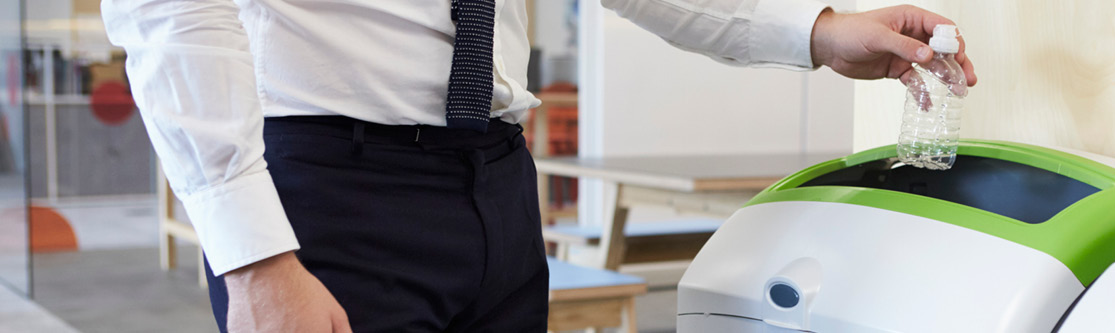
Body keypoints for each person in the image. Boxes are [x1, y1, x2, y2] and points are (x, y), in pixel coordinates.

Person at [101, 0, 978, 331]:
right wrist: (254, 259)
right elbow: (173, 16)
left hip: (493, 182)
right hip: (333, 192)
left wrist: (817, 33)